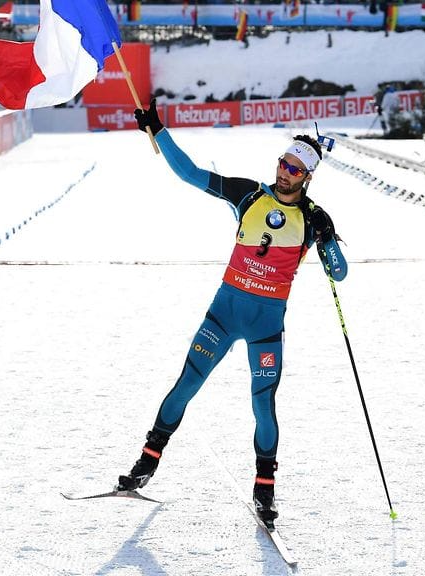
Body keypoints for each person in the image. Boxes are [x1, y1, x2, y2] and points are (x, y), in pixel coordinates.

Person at [117, 98, 348, 529]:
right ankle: (146, 461)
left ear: (308, 176)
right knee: (186, 385)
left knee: (263, 405)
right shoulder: (249, 195)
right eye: (283, 163)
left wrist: (329, 239)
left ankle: (265, 489)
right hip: (224, 315)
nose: (285, 172)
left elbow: (340, 273)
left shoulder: (313, 219)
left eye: (295, 169)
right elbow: (190, 174)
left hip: (266, 328)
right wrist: (158, 131)